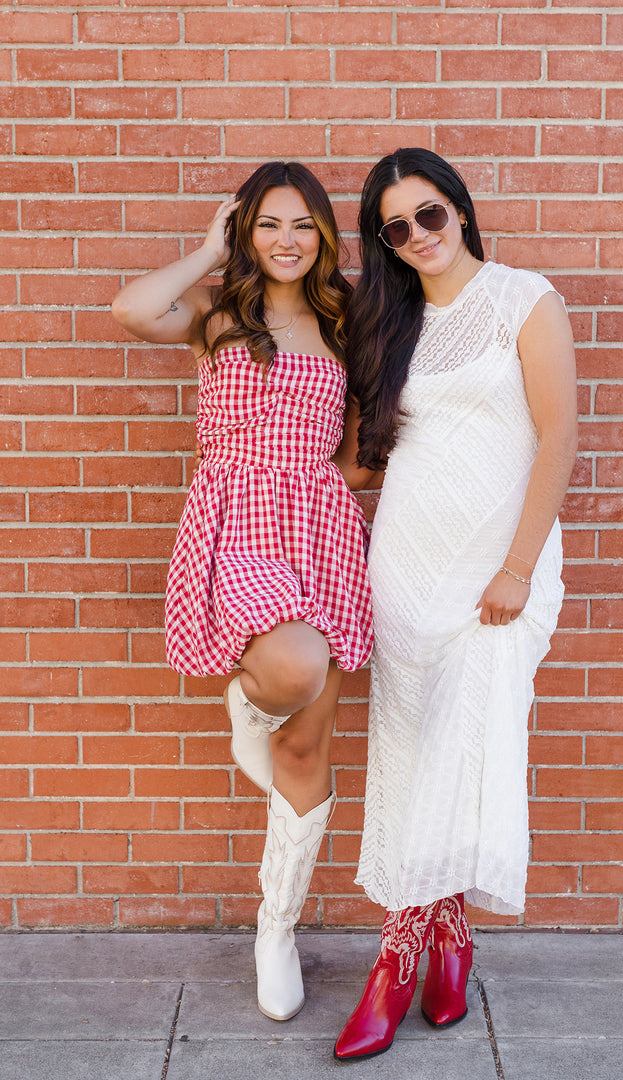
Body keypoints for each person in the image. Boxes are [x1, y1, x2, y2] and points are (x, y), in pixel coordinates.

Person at [111, 161, 373, 1024]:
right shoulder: (218, 315)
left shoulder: (346, 323)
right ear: (244, 233)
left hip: (320, 525)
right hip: (237, 518)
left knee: (307, 743)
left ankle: (276, 928)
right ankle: (248, 705)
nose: (287, 241)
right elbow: (132, 309)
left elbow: (355, 454)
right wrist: (205, 251)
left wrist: (333, 493)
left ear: (323, 234)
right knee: (291, 667)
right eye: (267, 224)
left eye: (302, 225)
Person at [332, 148, 577, 1061]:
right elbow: (365, 464)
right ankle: (450, 940)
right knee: (412, 753)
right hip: (405, 569)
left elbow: (559, 435)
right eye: (396, 227)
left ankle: (394, 963)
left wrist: (517, 567)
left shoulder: (524, 299)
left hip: (498, 574)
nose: (418, 236)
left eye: (429, 214)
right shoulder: (386, 324)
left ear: (460, 211)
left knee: (459, 745)